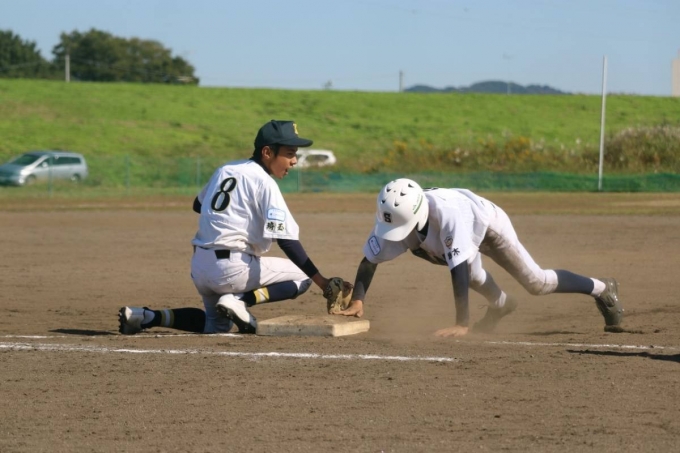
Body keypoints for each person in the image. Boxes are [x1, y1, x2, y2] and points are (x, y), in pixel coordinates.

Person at [119, 120, 350, 335]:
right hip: (233, 269)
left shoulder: (226, 169)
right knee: (303, 277)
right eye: (289, 153)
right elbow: (286, 240)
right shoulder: (264, 182)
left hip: (200, 266)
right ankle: (240, 301)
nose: (294, 160)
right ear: (267, 152)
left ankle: (146, 316)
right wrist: (322, 282)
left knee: (217, 325)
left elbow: (198, 204)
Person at [334, 178, 624, 337]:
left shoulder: (447, 215)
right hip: (451, 238)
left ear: (418, 215)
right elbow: (369, 260)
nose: (393, 234)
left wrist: (462, 323)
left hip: (487, 226)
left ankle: (602, 288)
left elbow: (457, 268)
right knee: (473, 276)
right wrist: (359, 300)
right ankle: (502, 304)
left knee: (537, 283)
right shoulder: (396, 214)